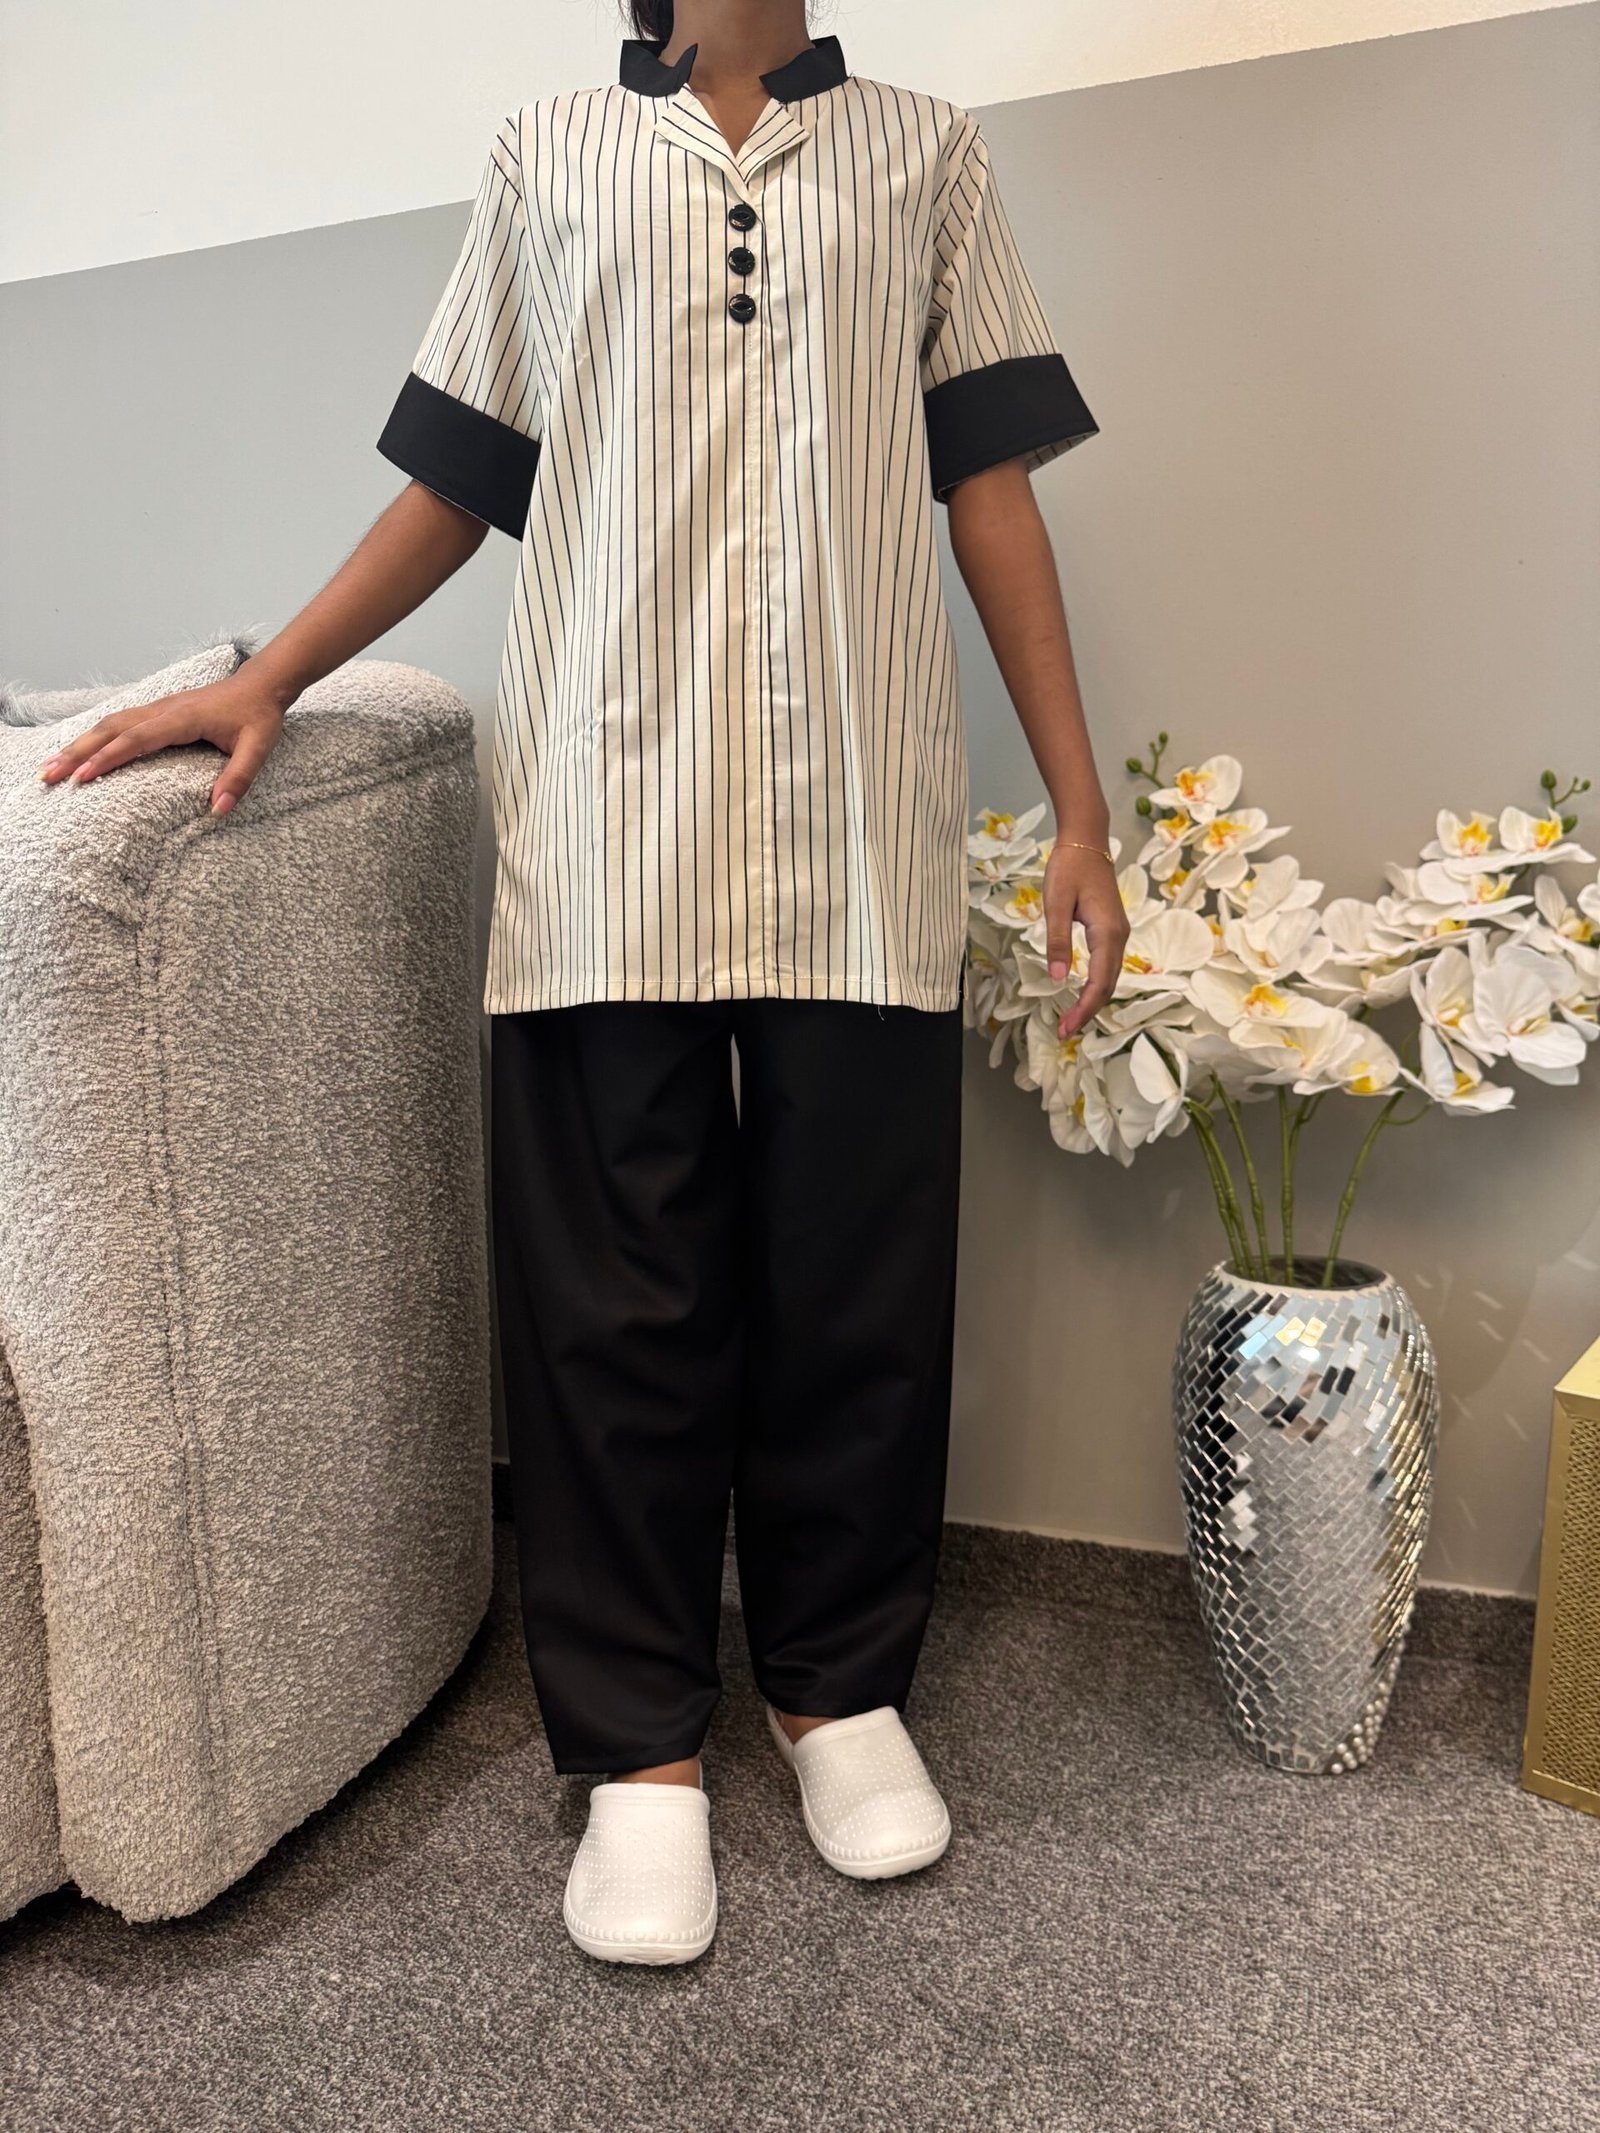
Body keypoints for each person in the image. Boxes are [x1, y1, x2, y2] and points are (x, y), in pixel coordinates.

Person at [36, 1, 1129, 1966]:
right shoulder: (547, 155)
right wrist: (268, 674)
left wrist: (1078, 807)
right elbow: (460, 479)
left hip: (859, 810)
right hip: (608, 815)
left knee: (856, 1269)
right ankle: (638, 1742)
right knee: (616, 1287)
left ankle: (834, 1689)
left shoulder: (926, 156)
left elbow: (987, 488)